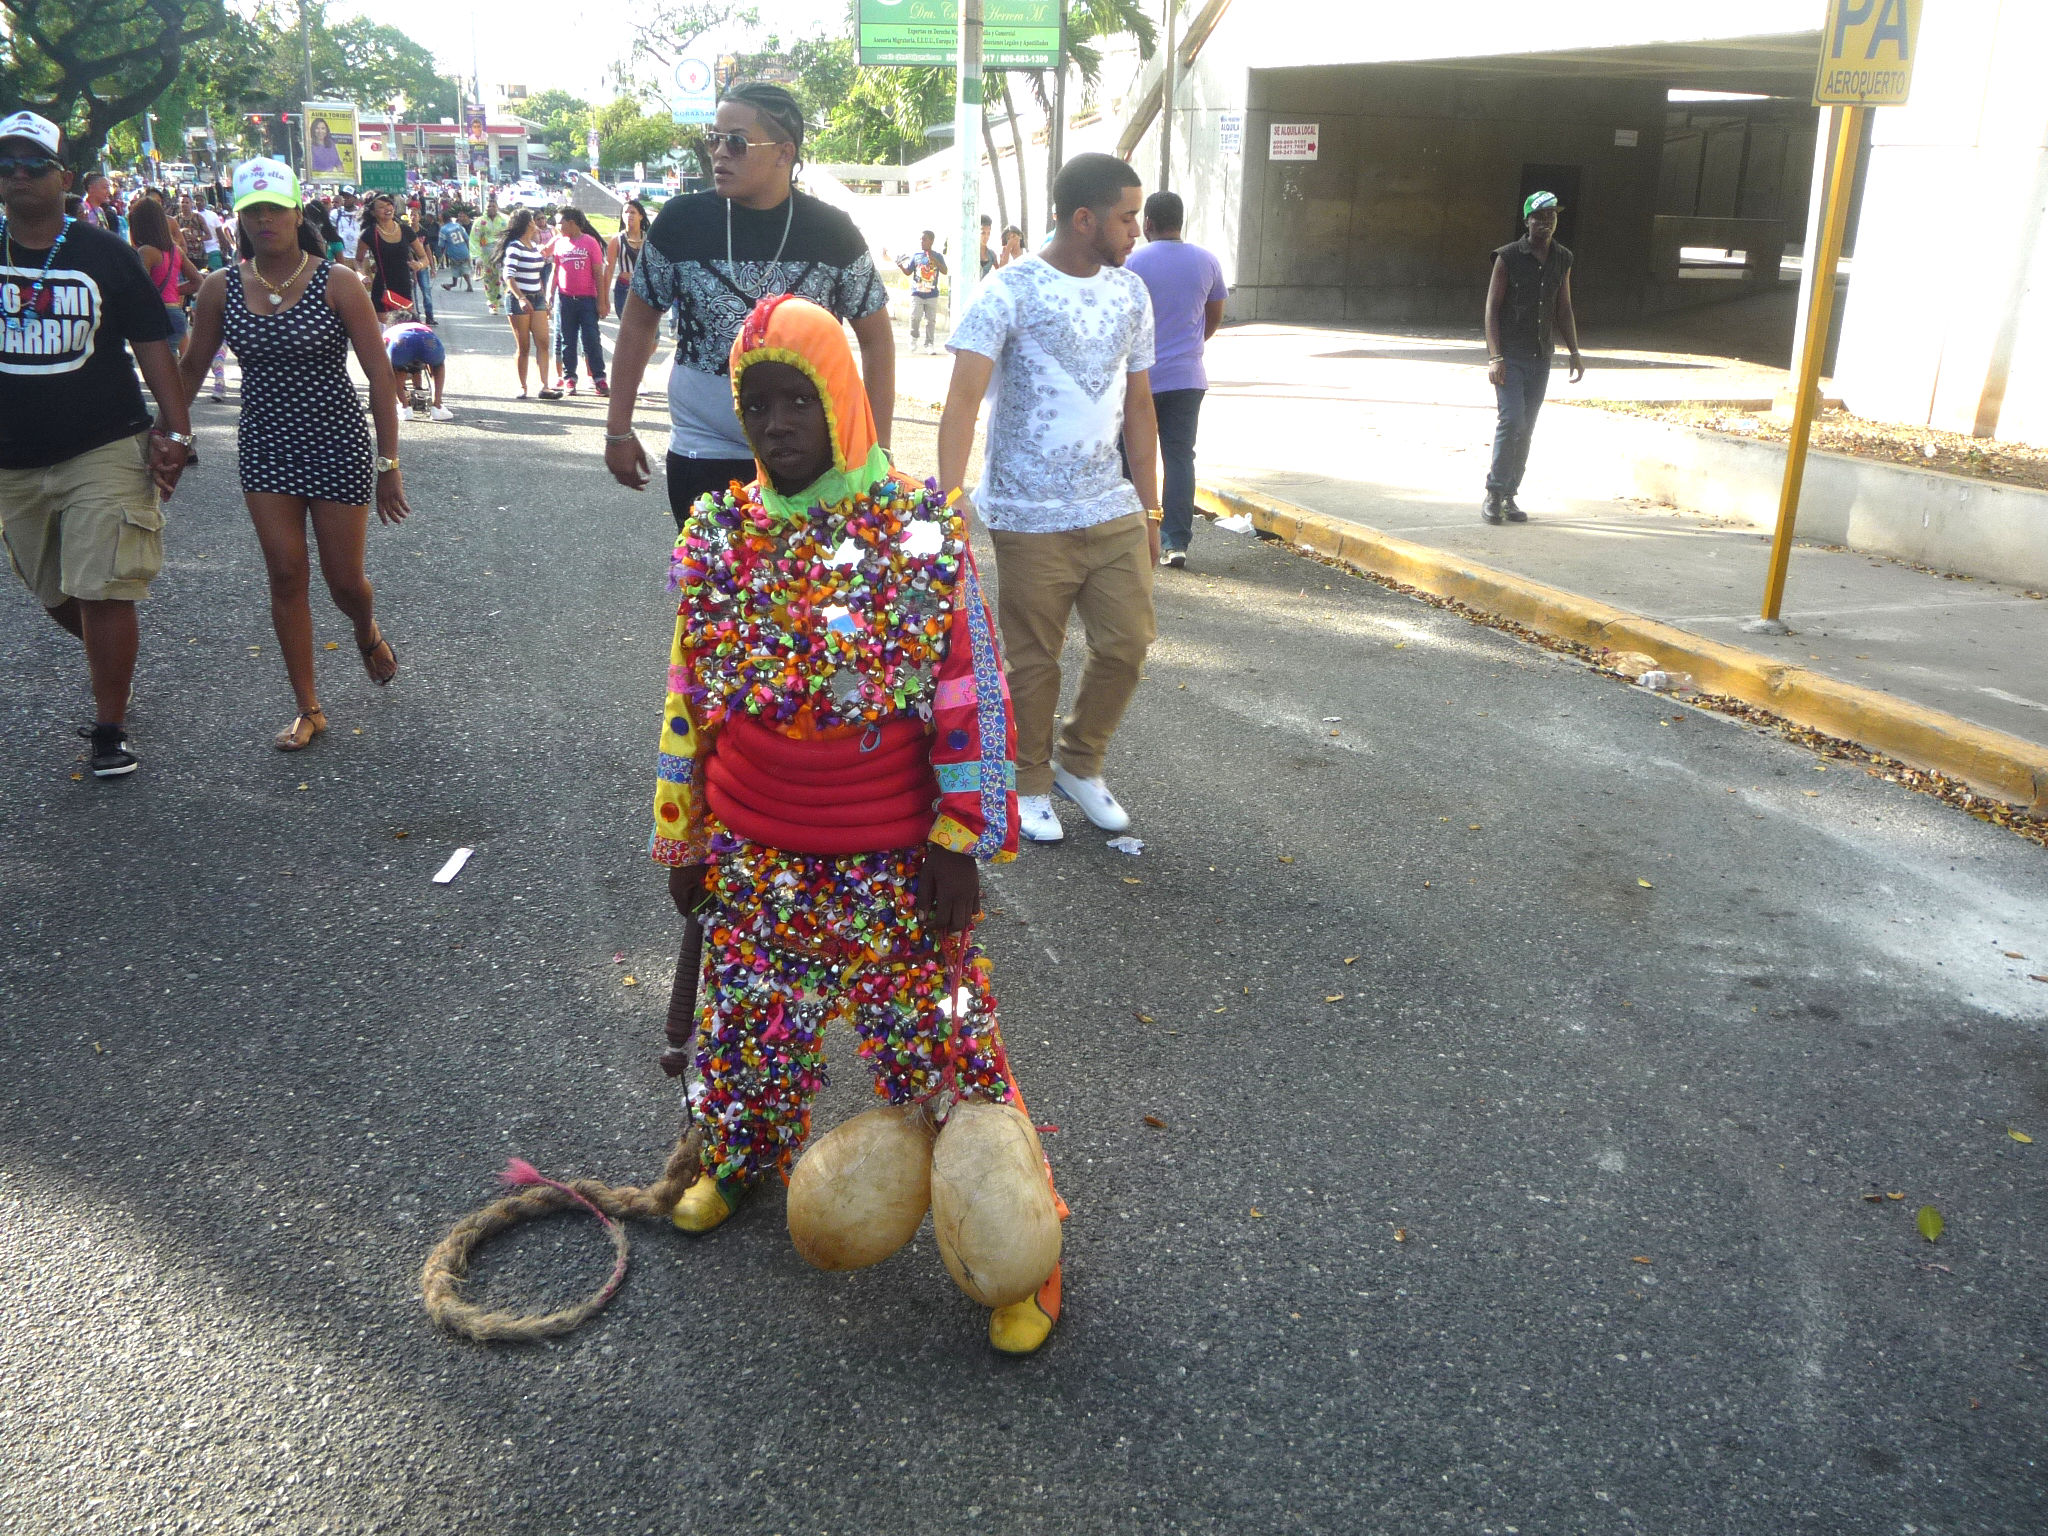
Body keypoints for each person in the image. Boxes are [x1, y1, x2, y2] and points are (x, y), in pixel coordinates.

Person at [647, 291, 1062, 1356]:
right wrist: (685, 837)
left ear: (843, 401)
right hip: (753, 866)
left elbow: (972, 693)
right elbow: (690, 695)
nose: (779, 424)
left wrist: (960, 843)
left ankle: (1021, 1250)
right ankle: (739, 1158)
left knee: (950, 1055)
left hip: (890, 875)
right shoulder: (720, 534)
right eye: (759, 405)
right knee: (747, 1038)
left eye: (799, 400)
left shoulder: (920, 532)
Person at [938, 152, 1159, 846]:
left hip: (1109, 504)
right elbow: (963, 401)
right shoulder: (1008, 291)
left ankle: (1078, 761)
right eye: (1127, 219)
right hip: (1028, 510)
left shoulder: (1132, 294)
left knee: (1128, 643)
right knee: (1034, 659)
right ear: (1084, 219)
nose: (1136, 233)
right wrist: (946, 509)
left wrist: (1152, 511)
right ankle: (1028, 780)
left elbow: (1142, 406)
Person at [178, 158, 410, 752]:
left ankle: (365, 629)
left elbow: (380, 376)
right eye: (251, 211)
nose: (263, 220)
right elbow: (189, 370)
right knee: (285, 572)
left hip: (336, 443)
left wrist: (389, 463)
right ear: (238, 220)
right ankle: (308, 707)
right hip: (265, 445)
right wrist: (166, 437)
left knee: (345, 583)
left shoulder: (337, 281)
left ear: (296, 211)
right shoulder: (220, 287)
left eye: (274, 208)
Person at [601, 80, 893, 530]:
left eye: (736, 143)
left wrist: (877, 452)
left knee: (808, 593)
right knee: (713, 588)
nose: (719, 153)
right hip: (704, 446)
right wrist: (618, 428)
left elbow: (876, 341)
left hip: (813, 454)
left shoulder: (832, 232)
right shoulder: (681, 222)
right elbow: (639, 326)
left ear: (784, 152)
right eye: (714, 139)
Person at [0, 109, 194, 778]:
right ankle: (116, 663)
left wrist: (175, 427)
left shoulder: (104, 252)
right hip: (13, 457)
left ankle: (108, 727)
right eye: (6, 165)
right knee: (57, 592)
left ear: (63, 178)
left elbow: (150, 341)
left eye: (33, 164)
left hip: (105, 442)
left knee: (105, 586)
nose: (18, 175)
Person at [1124, 190, 1226, 570]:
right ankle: (1175, 542)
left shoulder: (1133, 263)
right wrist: (1189, 346)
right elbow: (1213, 316)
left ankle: (1135, 536)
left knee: (1134, 457)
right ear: (1180, 221)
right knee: (1180, 457)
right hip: (1188, 378)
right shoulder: (1207, 261)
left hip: (1141, 381)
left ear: (1147, 223)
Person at [1482, 189, 1583, 524]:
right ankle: (1494, 493)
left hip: (1540, 358)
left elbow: (1564, 308)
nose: (1546, 223)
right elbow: (1491, 311)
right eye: (1539, 217)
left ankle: (1510, 495)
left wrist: (1574, 351)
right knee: (1511, 420)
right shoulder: (1507, 257)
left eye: (1551, 216)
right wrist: (1495, 357)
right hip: (1510, 356)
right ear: (1527, 220)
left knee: (1527, 427)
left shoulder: (1562, 258)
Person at [496, 209, 560, 400]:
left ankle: (545, 386)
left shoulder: (533, 246)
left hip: (537, 297)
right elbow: (508, 275)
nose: (536, 224)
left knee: (543, 342)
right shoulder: (514, 247)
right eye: (532, 221)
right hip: (518, 299)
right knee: (524, 346)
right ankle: (522, 386)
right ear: (527, 224)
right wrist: (521, 297)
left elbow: (539, 272)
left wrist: (544, 297)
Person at [127, 194, 201, 351]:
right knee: (171, 364)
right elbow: (198, 281)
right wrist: (173, 291)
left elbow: (141, 289)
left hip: (158, 316)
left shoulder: (146, 252)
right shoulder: (175, 250)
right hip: (175, 312)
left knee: (163, 369)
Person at [548, 206, 608, 395]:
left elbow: (598, 273)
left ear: (571, 223)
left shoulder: (590, 243)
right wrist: (550, 293)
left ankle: (599, 378)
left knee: (591, 339)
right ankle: (570, 378)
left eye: (560, 222)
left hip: (587, 300)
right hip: (565, 299)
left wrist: (602, 301)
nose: (557, 226)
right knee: (567, 340)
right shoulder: (559, 243)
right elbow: (556, 271)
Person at [356, 192, 429, 324]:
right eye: (382, 206)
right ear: (373, 212)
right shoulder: (369, 234)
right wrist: (361, 275)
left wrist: (418, 265)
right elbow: (358, 261)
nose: (387, 208)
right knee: (387, 331)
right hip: (383, 289)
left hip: (404, 287)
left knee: (405, 330)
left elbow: (424, 258)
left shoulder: (406, 230)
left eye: (389, 205)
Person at [385, 319, 453, 421]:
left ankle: (404, 408)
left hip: (400, 341)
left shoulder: (391, 330)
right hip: (427, 338)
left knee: (398, 370)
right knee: (438, 365)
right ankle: (437, 406)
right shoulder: (421, 326)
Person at [898, 229, 946, 353]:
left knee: (931, 320)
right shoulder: (917, 256)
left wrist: (935, 261)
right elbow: (909, 272)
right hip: (917, 293)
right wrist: (901, 267)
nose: (921, 241)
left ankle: (929, 344)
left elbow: (945, 271)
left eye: (924, 239)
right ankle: (913, 339)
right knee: (915, 317)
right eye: (921, 239)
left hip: (932, 294)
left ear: (931, 241)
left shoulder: (938, 256)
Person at [601, 197, 646, 319]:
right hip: (624, 288)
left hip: (645, 289)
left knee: (650, 332)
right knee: (628, 329)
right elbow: (609, 269)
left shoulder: (648, 239)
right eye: (625, 212)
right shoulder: (617, 239)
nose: (629, 215)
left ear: (640, 216)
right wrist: (604, 299)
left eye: (633, 212)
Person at [474, 195, 506, 314]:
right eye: (489, 206)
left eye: (493, 206)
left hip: (502, 254)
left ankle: (508, 300)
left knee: (506, 278)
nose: (491, 208)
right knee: (490, 280)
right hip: (486, 255)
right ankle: (493, 304)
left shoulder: (505, 220)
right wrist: (477, 256)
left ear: (497, 207)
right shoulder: (479, 222)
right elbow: (474, 240)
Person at [438, 213, 472, 290]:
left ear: (443, 219)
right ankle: (468, 285)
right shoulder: (458, 226)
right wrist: (468, 249)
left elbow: (441, 244)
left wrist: (442, 254)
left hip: (453, 252)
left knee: (455, 268)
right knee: (464, 267)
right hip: (464, 250)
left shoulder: (443, 229)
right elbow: (466, 238)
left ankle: (454, 284)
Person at [978, 213, 995, 278]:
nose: (986, 236)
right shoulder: (969, 253)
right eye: (983, 233)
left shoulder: (991, 255)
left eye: (988, 233)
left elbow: (1000, 272)